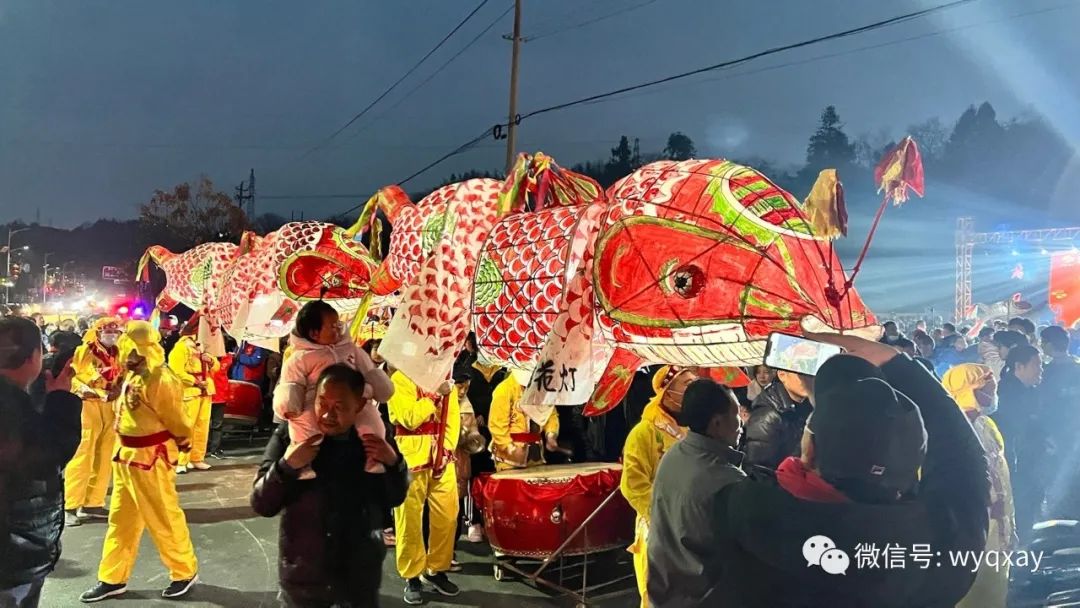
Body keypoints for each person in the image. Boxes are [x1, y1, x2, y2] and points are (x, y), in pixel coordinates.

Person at [701, 333, 989, 607]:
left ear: (810, 448)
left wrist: (894, 362)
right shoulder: (942, 544)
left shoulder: (749, 521)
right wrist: (900, 366)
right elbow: (964, 463)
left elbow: (964, 460)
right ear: (915, 463)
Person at [251, 365, 409, 607]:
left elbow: (394, 498)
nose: (327, 415)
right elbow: (262, 503)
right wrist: (287, 465)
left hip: (358, 579)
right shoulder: (292, 435)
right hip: (303, 579)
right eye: (322, 403)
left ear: (359, 406)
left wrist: (394, 463)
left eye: (339, 407)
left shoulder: (373, 437)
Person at [80, 321, 199, 602]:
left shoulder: (160, 378)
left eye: (133, 349)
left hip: (151, 459)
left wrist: (183, 445)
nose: (128, 354)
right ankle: (112, 577)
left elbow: (177, 420)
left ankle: (184, 570)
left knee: (164, 517)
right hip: (126, 458)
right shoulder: (133, 374)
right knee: (120, 521)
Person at [0, 317, 80, 608]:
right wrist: (61, 400)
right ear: (34, 356)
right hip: (12, 550)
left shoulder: (15, 399)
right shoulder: (10, 405)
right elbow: (46, 456)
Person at [645, 378, 745, 607]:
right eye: (736, 415)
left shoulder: (675, 454)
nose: (741, 423)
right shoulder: (725, 480)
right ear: (717, 423)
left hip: (665, 596)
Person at [272, 301, 393, 480]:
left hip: (354, 398)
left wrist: (378, 387)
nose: (338, 329)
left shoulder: (351, 349)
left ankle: (373, 458)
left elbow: (369, 371)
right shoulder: (300, 358)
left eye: (339, 325)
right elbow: (292, 384)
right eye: (333, 326)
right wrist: (289, 403)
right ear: (314, 333)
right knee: (304, 424)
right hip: (315, 401)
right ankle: (302, 462)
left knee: (372, 420)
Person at [942, 363, 1014, 607]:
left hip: (997, 525)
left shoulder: (986, 425)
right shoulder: (949, 430)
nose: (993, 394)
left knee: (995, 589)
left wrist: (1008, 522)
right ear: (967, 390)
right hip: (970, 527)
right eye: (988, 388)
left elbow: (1002, 477)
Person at [387, 370, 460, 605]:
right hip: (411, 459)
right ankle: (412, 575)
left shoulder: (447, 381)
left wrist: (446, 449)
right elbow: (409, 417)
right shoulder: (398, 380)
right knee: (409, 520)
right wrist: (434, 397)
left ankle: (436, 569)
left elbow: (453, 421)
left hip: (442, 459)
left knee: (448, 517)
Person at [621, 367, 692, 608]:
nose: (693, 390)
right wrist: (664, 514)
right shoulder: (644, 432)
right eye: (686, 384)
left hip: (689, 524)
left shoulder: (693, 429)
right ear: (668, 392)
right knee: (656, 594)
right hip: (658, 526)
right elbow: (632, 485)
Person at [64, 317, 123, 527]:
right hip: (87, 406)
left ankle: (92, 503)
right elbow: (74, 377)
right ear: (98, 333)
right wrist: (91, 390)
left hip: (108, 407)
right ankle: (70, 505)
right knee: (83, 455)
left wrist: (118, 387)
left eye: (116, 332)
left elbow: (119, 375)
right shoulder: (84, 351)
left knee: (104, 454)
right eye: (108, 332)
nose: (113, 335)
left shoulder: (116, 352)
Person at [1038, 325, 1080, 519]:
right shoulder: (1077, 367)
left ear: (1048, 345)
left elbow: (1042, 406)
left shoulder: (1045, 372)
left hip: (1054, 436)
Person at [168, 317, 218, 473]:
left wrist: (209, 360)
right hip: (190, 391)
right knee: (186, 427)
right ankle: (180, 461)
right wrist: (195, 382)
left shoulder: (205, 346)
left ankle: (196, 458)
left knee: (202, 426)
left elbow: (216, 366)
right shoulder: (181, 347)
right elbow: (175, 371)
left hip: (205, 390)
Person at [488, 371, 561, 471]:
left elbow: (550, 415)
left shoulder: (542, 387)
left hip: (535, 454)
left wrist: (551, 435)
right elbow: (497, 425)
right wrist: (509, 448)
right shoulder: (504, 389)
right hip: (509, 460)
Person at [742, 368, 812, 471]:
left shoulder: (810, 405)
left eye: (810, 374)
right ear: (782, 375)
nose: (806, 379)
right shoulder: (766, 417)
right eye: (800, 374)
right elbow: (760, 471)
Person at [207, 348, 233, 459]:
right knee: (204, 424)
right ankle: (202, 449)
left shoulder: (228, 358)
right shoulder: (204, 357)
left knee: (217, 424)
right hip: (207, 395)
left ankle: (215, 449)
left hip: (221, 395)